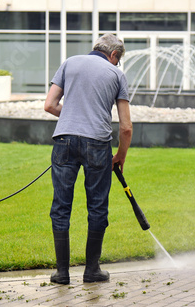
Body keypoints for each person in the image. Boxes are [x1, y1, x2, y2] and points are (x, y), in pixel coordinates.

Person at [44, 33, 133, 284]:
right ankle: (91, 270)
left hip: (64, 141)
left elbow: (50, 105)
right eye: (118, 60)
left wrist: (73, 115)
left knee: (61, 206)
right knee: (97, 207)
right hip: (97, 144)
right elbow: (126, 127)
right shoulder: (116, 74)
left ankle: (61, 273)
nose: (116, 65)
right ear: (114, 55)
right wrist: (120, 156)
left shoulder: (69, 62)